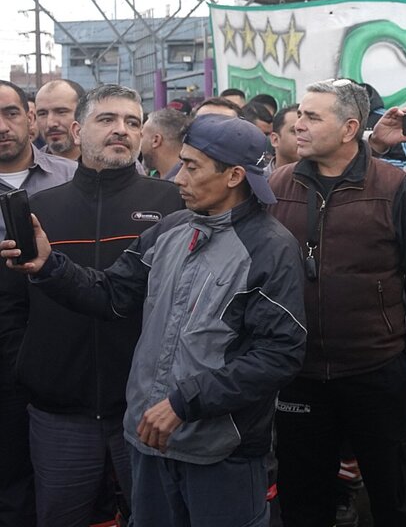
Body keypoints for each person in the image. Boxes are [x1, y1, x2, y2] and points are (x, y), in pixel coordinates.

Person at [2, 114, 307, 527]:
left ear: (235, 176)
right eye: (181, 162)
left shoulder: (271, 249)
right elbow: (112, 294)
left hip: (220, 451)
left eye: (193, 166)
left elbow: (279, 354)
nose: (179, 176)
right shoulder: (171, 229)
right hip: (149, 442)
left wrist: (184, 403)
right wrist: (48, 265)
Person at [15, 84, 182, 527]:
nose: (121, 130)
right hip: (59, 412)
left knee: (157, 516)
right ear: (76, 129)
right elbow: (12, 305)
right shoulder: (38, 208)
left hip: (147, 409)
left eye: (132, 121)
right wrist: (31, 370)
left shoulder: (172, 205)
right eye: (106, 119)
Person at [268, 79, 406, 527]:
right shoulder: (277, 185)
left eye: (312, 117)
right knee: (303, 503)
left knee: (391, 498)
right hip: (299, 375)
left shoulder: (394, 186)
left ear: (349, 128)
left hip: (376, 372)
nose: (298, 124)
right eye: (300, 113)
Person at [0, 80, 77, 527]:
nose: (2, 126)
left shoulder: (72, 177)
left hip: (61, 340)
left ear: (31, 118)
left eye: (11, 113)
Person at [34, 79, 85, 160]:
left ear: (83, 113)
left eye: (61, 112)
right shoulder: (27, 168)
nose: (50, 123)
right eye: (42, 114)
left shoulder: (106, 165)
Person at [141, 107, 191, 179]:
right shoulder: (154, 178)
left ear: (156, 140)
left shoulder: (185, 186)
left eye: (142, 136)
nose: (140, 143)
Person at [266, 105, 298, 174]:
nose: (303, 137)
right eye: (295, 131)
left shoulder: (320, 182)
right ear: (275, 140)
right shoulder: (256, 182)